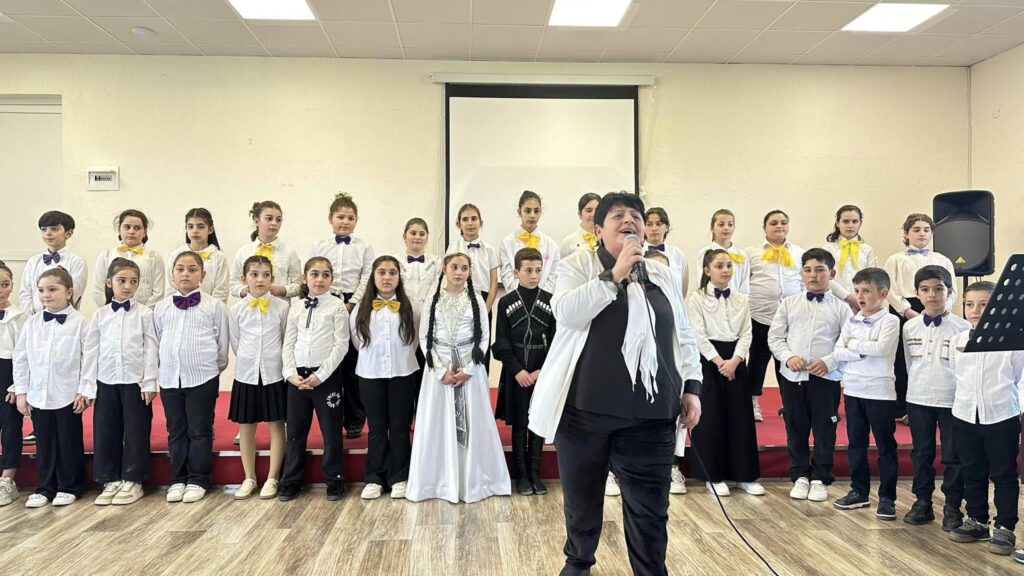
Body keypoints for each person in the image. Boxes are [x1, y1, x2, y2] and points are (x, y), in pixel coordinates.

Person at [529, 192, 702, 576]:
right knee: (582, 504)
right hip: (584, 414)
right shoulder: (577, 266)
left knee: (650, 512)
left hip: (652, 417)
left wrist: (692, 387)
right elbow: (567, 314)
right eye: (618, 216)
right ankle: (579, 563)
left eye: (636, 216)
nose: (630, 221)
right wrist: (614, 275)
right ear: (598, 230)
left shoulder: (663, 274)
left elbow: (684, 334)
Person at [406, 253, 511, 503]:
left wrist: (469, 369)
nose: (459, 272)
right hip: (439, 371)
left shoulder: (477, 300)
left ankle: (472, 482)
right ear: (444, 269)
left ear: (470, 272)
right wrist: (439, 370)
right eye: (454, 267)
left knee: (474, 423)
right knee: (437, 423)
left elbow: (483, 338)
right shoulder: (433, 300)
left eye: (464, 268)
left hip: (469, 370)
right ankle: (439, 482)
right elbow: (425, 337)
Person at [768, 248, 852, 503]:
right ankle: (800, 475)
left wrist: (828, 362)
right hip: (792, 377)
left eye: (819, 270)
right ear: (801, 273)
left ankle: (820, 477)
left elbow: (847, 342)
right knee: (795, 425)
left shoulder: (842, 308)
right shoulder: (788, 304)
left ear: (831, 274)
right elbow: (775, 337)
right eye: (808, 270)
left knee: (825, 427)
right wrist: (788, 357)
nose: (813, 275)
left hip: (826, 377)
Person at [948, 282, 1024, 558]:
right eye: (970, 304)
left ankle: (1005, 526)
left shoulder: (1013, 341)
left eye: (984, 304)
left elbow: (1019, 377)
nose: (976, 310)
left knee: (1004, 474)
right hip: (965, 414)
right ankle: (977, 520)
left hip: (1000, 414)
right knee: (972, 471)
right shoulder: (958, 340)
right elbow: (955, 374)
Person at [14, 268, 93, 508]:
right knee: (45, 442)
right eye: (41, 290)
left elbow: (89, 358)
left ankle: (70, 485)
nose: (45, 295)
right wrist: (21, 391)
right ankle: (45, 487)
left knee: (69, 441)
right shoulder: (32, 323)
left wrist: (85, 389)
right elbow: (21, 358)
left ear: (69, 292)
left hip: (67, 393)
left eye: (52, 289)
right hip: (39, 393)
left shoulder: (80, 323)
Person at [155, 252, 230, 504]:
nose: (185, 274)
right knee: (175, 430)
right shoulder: (162, 307)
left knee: (199, 430)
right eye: (180, 269)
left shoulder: (214, 306)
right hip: (169, 378)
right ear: (172, 274)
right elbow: (158, 339)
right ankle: (177, 479)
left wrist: (212, 370)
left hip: (202, 377)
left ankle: (198, 479)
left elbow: (222, 345)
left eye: (192, 269)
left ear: (202, 275)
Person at [83, 258, 158, 506]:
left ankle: (134, 479)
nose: (127, 286)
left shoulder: (145, 314)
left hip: (135, 382)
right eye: (122, 280)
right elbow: (90, 351)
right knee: (106, 430)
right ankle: (109, 478)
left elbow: (151, 348)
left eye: (133, 281)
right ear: (109, 282)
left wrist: (149, 381)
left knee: (136, 430)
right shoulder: (100, 315)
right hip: (106, 380)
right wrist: (88, 386)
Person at [687, 249, 761, 497]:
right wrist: (720, 362)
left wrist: (735, 361)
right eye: (719, 266)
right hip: (710, 360)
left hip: (736, 360)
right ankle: (713, 475)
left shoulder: (742, 299)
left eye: (729, 265)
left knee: (741, 417)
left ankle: (743, 475)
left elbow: (747, 333)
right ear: (707, 270)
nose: (726, 270)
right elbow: (697, 334)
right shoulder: (696, 299)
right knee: (711, 417)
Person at [901, 265, 970, 529]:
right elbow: (910, 364)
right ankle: (922, 501)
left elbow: (963, 368)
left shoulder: (962, 327)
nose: (932, 295)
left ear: (950, 292)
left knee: (954, 455)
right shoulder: (910, 327)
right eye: (925, 289)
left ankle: (952, 506)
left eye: (938, 289)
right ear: (917, 293)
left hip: (952, 400)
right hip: (918, 398)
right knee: (921, 453)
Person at [831, 268, 901, 520]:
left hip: (879, 391)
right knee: (856, 444)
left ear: (883, 294)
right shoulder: (852, 320)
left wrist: (853, 346)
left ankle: (887, 497)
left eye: (866, 291)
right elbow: (838, 351)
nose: (860, 296)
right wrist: (861, 349)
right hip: (853, 388)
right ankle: (859, 491)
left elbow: (882, 349)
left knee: (885, 446)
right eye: (857, 291)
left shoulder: (890, 321)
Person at [279, 257, 350, 502]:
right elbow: (288, 342)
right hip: (297, 378)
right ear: (305, 278)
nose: (320, 279)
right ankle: (291, 480)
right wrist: (290, 373)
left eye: (325, 275)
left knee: (331, 431)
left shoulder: (337, 307)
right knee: (295, 432)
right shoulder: (296, 308)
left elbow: (341, 345)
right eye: (315, 274)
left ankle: (334, 479)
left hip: (326, 377)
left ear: (332, 279)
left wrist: (320, 375)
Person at [350, 256, 419, 500]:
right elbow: (357, 340)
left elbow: (414, 340)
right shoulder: (360, 309)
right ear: (373, 276)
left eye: (392, 272)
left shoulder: (410, 307)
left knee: (400, 427)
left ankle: (399, 477)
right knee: (377, 427)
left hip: (403, 372)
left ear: (399, 277)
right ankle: (374, 478)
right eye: (382, 272)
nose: (387, 277)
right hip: (370, 373)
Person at [310, 193, 374, 439]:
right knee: (329, 357)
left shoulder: (364, 247)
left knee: (352, 362)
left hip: (354, 303)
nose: (345, 222)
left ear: (356, 220)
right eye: (340, 217)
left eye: (350, 218)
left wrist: (352, 303)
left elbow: (367, 277)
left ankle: (356, 418)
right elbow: (313, 273)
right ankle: (332, 416)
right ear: (330, 218)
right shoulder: (319, 245)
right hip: (326, 300)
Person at [883, 213, 957, 424]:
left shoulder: (942, 260)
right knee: (903, 359)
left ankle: (938, 404)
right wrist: (907, 312)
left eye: (926, 229)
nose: (921, 233)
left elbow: (952, 289)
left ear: (932, 233)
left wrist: (943, 310)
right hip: (905, 310)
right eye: (916, 229)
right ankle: (905, 408)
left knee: (936, 356)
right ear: (906, 233)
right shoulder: (896, 259)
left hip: (937, 309)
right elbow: (890, 289)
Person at [494, 248, 556, 496]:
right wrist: (518, 370)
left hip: (542, 371)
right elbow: (501, 342)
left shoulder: (551, 301)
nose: (534, 275)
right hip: (516, 373)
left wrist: (542, 371)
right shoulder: (505, 302)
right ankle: (521, 475)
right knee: (520, 424)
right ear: (516, 272)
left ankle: (535, 473)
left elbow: (557, 342)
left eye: (538, 270)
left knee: (537, 424)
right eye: (528, 270)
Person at [228, 256, 289, 500]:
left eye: (265, 275)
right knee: (246, 427)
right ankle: (249, 477)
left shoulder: (282, 307)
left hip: (274, 373)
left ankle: (273, 477)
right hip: (246, 374)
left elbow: (285, 338)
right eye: (254, 274)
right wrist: (249, 361)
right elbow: (236, 341)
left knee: (277, 425)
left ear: (272, 278)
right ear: (244, 279)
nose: (260, 279)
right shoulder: (236, 310)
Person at [745, 209, 804, 422]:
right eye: (773, 223)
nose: (779, 226)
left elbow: (803, 281)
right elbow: (743, 283)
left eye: (783, 222)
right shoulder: (750, 253)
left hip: (789, 317)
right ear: (764, 228)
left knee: (786, 360)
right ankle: (752, 403)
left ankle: (789, 403)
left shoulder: (798, 252)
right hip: (760, 315)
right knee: (758, 359)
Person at [91, 209, 165, 308]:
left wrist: (144, 312)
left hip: (144, 313)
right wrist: (109, 309)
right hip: (111, 312)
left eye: (137, 228)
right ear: (119, 229)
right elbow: (97, 289)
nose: (131, 231)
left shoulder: (154, 257)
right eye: (127, 227)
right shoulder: (106, 256)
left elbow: (158, 292)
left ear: (145, 232)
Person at [230, 200, 302, 301]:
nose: (274, 223)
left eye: (278, 220)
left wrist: (283, 289)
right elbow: (233, 284)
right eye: (269, 218)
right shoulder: (243, 252)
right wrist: (247, 291)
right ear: (256, 221)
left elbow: (299, 285)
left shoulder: (289, 252)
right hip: (249, 307)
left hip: (279, 307)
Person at [20, 210, 88, 314]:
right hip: (35, 318)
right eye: (44, 229)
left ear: (68, 233)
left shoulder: (77, 261)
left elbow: (74, 294)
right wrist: (30, 318)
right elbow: (25, 293)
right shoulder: (33, 261)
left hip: (65, 317)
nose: (48, 233)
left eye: (54, 229)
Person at [0, 261, 27, 506]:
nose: (0, 290)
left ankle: (8, 479)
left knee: (10, 427)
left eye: (5, 284)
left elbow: (23, 354)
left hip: (8, 375)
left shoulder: (20, 317)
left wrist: (17, 386)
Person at [500, 190, 560, 292]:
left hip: (543, 299)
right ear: (519, 212)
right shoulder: (507, 243)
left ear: (540, 212)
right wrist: (521, 295)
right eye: (527, 211)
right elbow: (507, 276)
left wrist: (540, 297)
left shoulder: (552, 246)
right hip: (515, 297)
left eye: (536, 211)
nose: (532, 215)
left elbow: (553, 278)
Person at [167, 208, 229, 303]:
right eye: (190, 227)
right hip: (179, 307)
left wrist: (211, 308)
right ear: (186, 229)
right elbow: (171, 288)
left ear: (210, 229)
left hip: (209, 308)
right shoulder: (176, 255)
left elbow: (221, 290)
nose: (195, 231)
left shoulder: (218, 257)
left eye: (200, 227)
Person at [822, 205, 877, 313]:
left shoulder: (867, 250)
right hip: (833, 302)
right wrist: (847, 296)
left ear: (860, 223)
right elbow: (825, 277)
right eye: (846, 221)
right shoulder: (827, 249)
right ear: (838, 223)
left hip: (860, 305)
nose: (850, 225)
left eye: (854, 221)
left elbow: (870, 279)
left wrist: (860, 299)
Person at [446, 203, 499, 314]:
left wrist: (485, 310)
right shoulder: (452, 248)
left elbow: (494, 284)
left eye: (474, 219)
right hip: (458, 298)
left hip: (484, 299)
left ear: (481, 223)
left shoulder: (489, 249)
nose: (470, 223)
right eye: (465, 219)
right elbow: (448, 278)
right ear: (458, 224)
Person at [696, 209, 749, 295]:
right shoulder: (704, 253)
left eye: (730, 224)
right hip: (711, 299)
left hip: (736, 301)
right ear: (712, 228)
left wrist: (740, 300)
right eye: (721, 224)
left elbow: (744, 285)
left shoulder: (741, 255)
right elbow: (701, 281)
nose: (726, 228)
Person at [644, 207, 689, 297]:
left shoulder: (677, 254)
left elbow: (683, 288)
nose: (654, 228)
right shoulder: (636, 253)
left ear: (667, 227)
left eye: (658, 224)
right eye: (649, 224)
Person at [398, 218, 438, 306]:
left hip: (429, 309)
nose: (417, 237)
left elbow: (435, 290)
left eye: (422, 234)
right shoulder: (395, 261)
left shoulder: (436, 262)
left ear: (427, 237)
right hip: (402, 309)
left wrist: (426, 310)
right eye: (413, 233)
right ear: (404, 237)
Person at [560, 192, 601, 257]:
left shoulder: (607, 239)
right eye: (589, 211)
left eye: (597, 210)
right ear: (580, 214)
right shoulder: (569, 242)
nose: (594, 214)